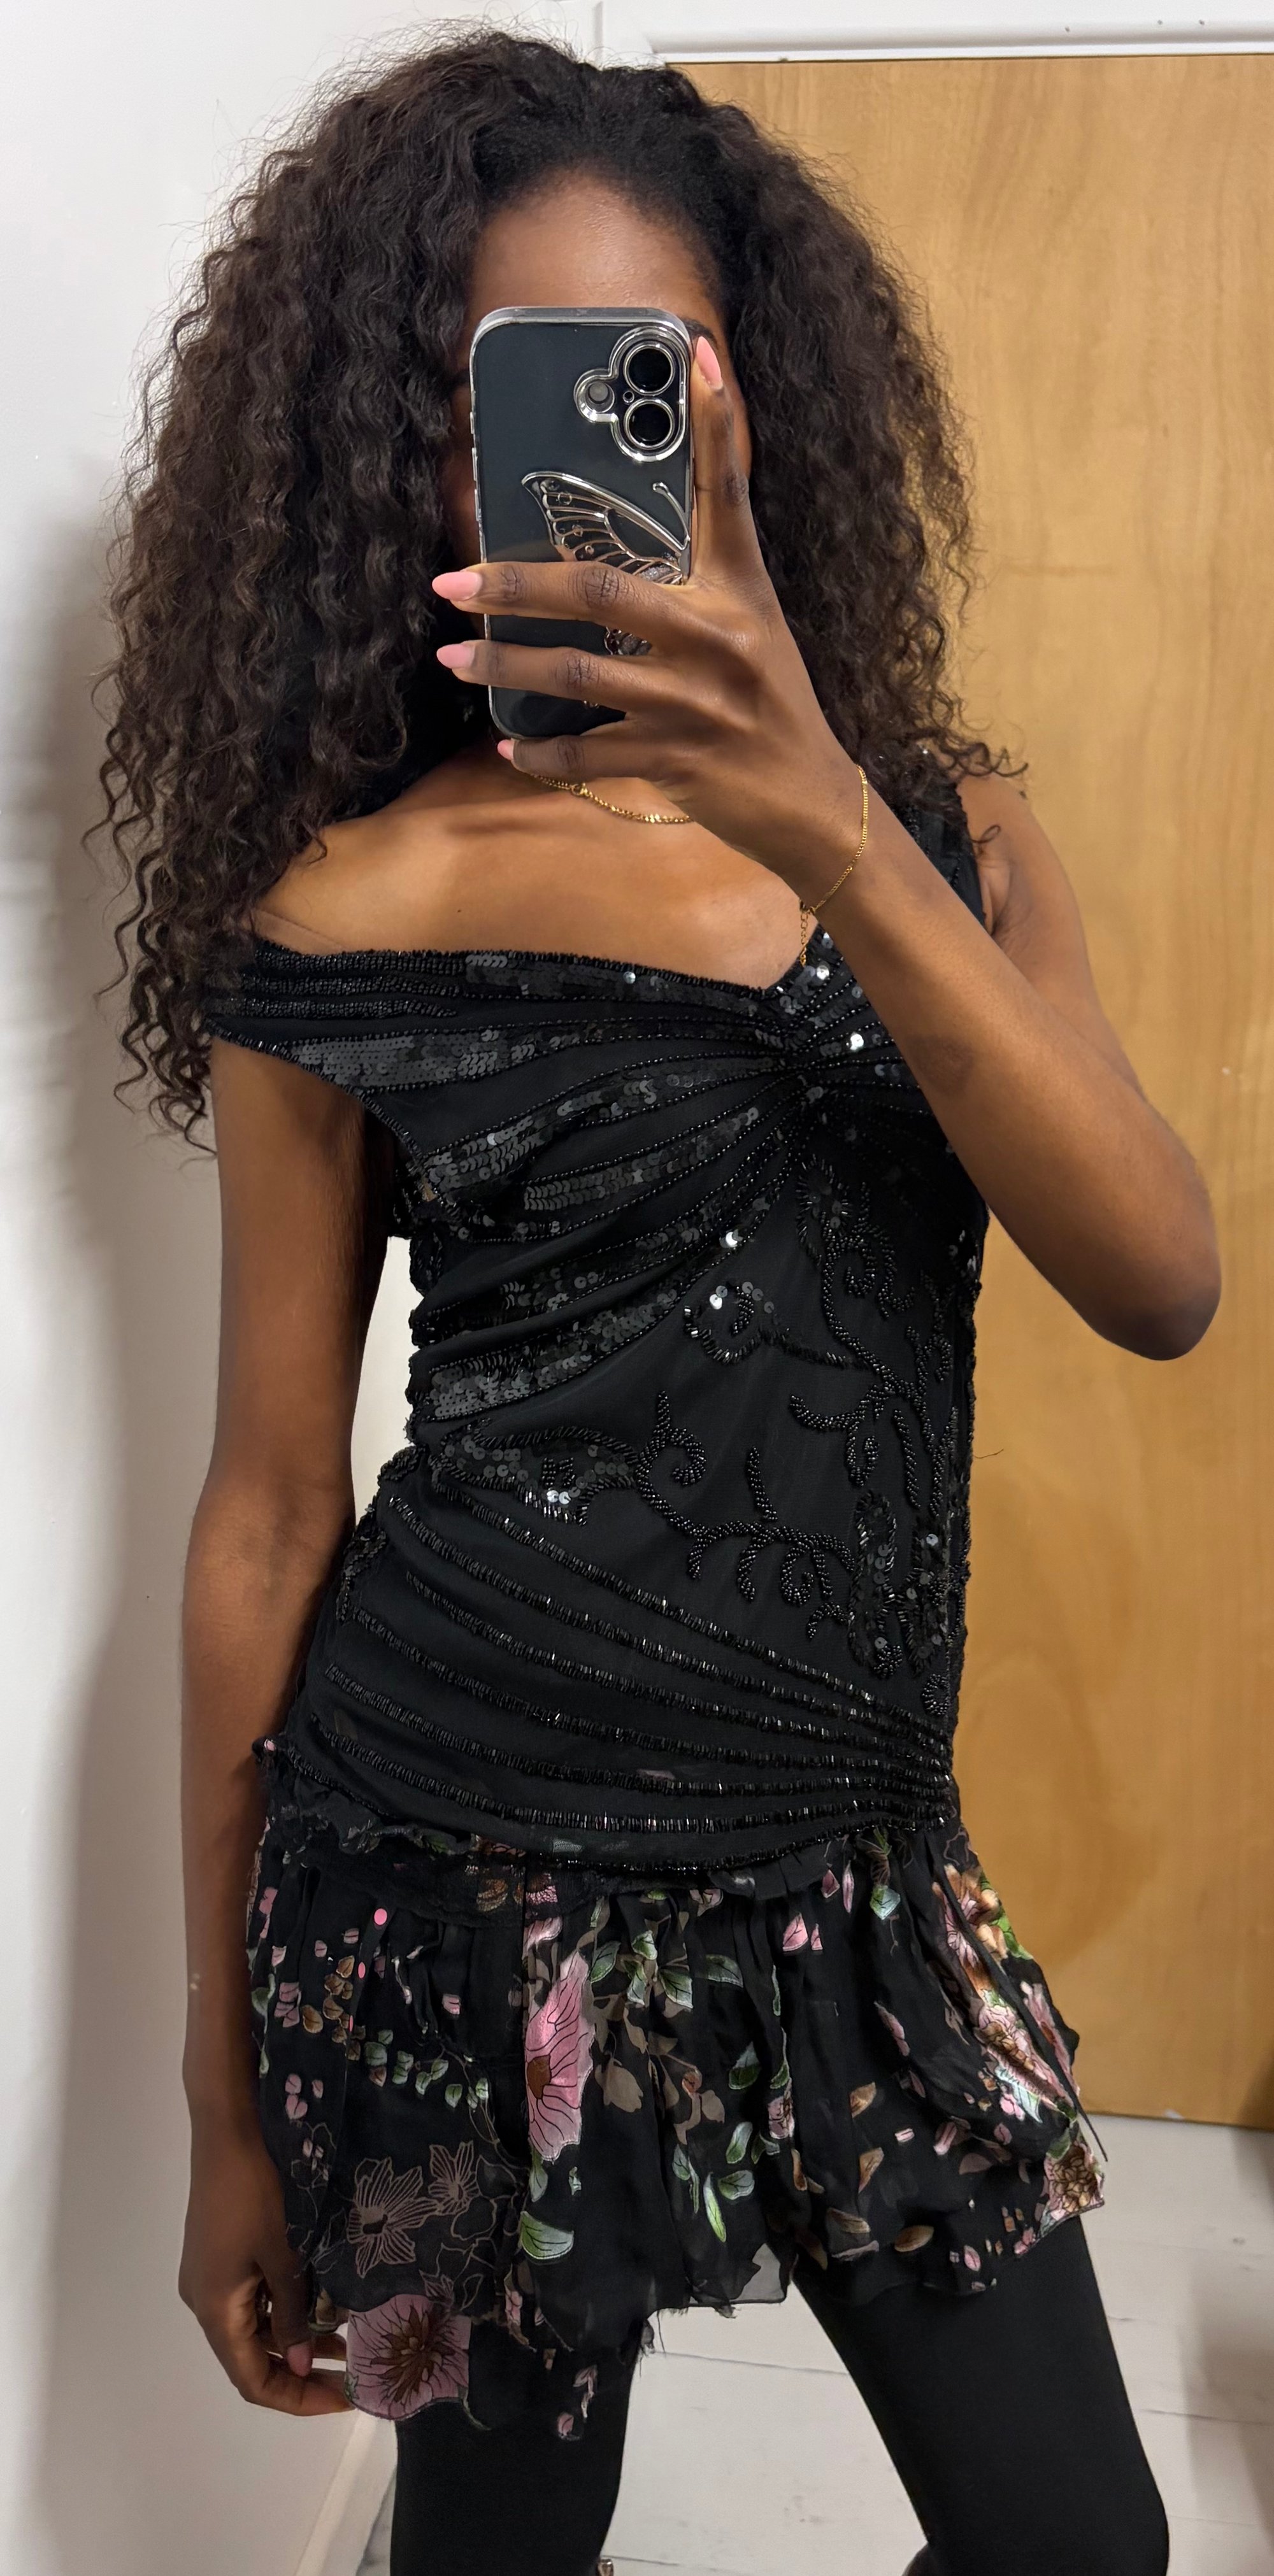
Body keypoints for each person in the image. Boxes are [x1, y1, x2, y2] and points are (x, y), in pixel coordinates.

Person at [101, 34, 1215, 2576]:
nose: (571, 478)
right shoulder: (338, 910)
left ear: (746, 409)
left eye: (643, 384)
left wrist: (819, 804)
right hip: (441, 1898)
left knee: (1081, 2545)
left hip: (855, 1885)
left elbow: (1158, 1275)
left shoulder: (946, 841)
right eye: (485, 409)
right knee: (496, 2542)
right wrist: (220, 2112)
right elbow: (266, 1513)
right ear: (399, 463)